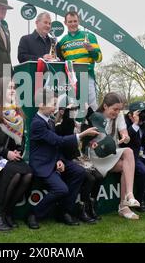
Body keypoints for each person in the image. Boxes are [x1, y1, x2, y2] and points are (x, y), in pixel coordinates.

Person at [27, 88, 98, 229]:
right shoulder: (37, 123)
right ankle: (34, 214)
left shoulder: (50, 121)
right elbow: (58, 140)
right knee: (61, 189)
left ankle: (65, 211)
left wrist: (59, 159)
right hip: (42, 164)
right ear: (41, 104)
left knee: (80, 172)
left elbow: (55, 146)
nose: (55, 107)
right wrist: (82, 134)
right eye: (53, 103)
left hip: (54, 160)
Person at [0, 77, 32, 232]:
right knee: (14, 174)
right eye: (10, 88)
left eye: (14, 88)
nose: (13, 91)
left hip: (11, 157)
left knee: (28, 174)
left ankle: (9, 212)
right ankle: (0, 215)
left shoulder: (17, 112)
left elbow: (22, 139)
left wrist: (18, 151)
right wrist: (5, 152)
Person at [84, 92, 140, 219]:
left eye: (119, 109)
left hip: (112, 154)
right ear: (105, 106)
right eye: (114, 109)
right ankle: (125, 204)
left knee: (127, 156)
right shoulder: (94, 117)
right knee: (127, 160)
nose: (117, 112)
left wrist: (125, 138)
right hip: (96, 157)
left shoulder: (119, 117)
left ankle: (126, 201)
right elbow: (85, 141)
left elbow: (125, 133)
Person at [54, 96, 102, 224]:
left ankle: (90, 207)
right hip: (69, 160)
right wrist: (68, 115)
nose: (75, 111)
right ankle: (81, 210)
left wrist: (89, 112)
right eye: (72, 109)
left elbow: (93, 128)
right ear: (62, 111)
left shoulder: (77, 124)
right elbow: (67, 131)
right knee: (89, 179)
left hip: (82, 159)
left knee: (98, 176)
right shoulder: (59, 126)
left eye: (76, 108)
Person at [56, 11, 102, 110]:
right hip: (71, 80)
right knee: (74, 108)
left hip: (87, 76)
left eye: (75, 21)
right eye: (70, 21)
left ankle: (94, 125)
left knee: (92, 107)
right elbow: (61, 62)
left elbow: (99, 58)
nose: (73, 24)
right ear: (65, 23)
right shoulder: (62, 42)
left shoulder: (89, 36)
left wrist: (91, 50)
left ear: (79, 21)